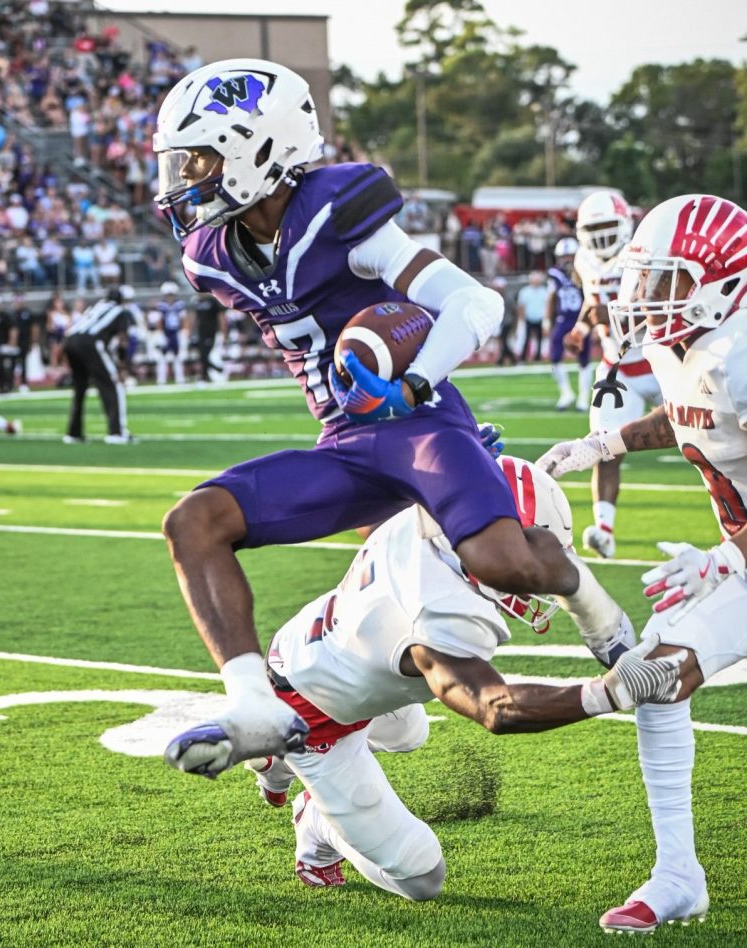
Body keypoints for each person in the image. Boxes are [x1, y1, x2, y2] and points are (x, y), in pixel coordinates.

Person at [150, 59, 630, 778]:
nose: (188, 176)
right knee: (193, 522)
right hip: (346, 444)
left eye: (203, 156)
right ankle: (255, 704)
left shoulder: (340, 214)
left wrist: (410, 384)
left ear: (260, 148)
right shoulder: (216, 255)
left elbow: (476, 305)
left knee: (504, 564)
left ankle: (601, 615)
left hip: (423, 426)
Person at [239, 457, 680, 896]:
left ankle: (272, 759)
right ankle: (314, 817)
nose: (533, 575)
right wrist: (609, 693)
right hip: (314, 715)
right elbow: (497, 709)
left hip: (316, 648)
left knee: (409, 732)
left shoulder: (427, 518)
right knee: (422, 879)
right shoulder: (441, 610)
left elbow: (384, 506)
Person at [537, 194, 747, 934]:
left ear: (722, 282)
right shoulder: (689, 348)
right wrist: (603, 445)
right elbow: (686, 413)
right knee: (655, 671)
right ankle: (679, 874)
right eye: (643, 278)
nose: (644, 296)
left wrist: (721, 558)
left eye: (665, 280)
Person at [570, 191, 659, 559]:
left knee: (706, 441)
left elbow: (658, 308)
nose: (602, 236)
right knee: (605, 448)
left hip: (659, 361)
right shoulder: (583, 260)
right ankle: (604, 529)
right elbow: (593, 304)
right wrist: (580, 328)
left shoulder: (644, 254)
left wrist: (613, 316)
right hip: (616, 367)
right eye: (595, 229)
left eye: (608, 227)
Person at [62, 285, 136, 444]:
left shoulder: (95, 307)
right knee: (113, 385)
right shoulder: (120, 311)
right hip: (91, 342)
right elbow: (123, 341)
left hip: (70, 341)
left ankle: (73, 433)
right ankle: (117, 432)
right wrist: (123, 367)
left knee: (80, 389)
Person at [547, 238, 591, 410]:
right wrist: (546, 320)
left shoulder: (585, 272)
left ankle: (583, 398)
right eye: (563, 256)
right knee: (555, 356)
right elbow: (551, 298)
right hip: (563, 318)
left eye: (569, 256)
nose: (566, 260)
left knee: (584, 359)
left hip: (581, 320)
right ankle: (566, 393)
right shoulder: (555, 274)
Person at [150, 281, 189, 385]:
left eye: (171, 294)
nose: (169, 297)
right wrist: (160, 333)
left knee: (178, 356)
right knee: (162, 356)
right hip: (165, 332)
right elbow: (158, 320)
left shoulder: (180, 304)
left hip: (176, 332)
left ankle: (180, 378)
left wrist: (184, 331)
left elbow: (183, 319)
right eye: (168, 294)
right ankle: (161, 379)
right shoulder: (160, 305)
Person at [515, 271, 548, 362]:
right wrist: (521, 319)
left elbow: (547, 306)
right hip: (528, 318)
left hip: (540, 318)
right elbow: (520, 306)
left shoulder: (544, 291)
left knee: (540, 339)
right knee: (526, 338)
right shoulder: (525, 292)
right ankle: (523, 356)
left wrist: (546, 319)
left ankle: (538, 357)